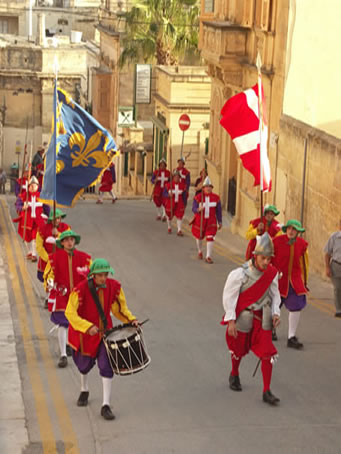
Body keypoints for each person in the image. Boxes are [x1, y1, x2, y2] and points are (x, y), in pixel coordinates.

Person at [65, 258, 139, 420]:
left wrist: (131, 320)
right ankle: (84, 388)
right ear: (93, 275)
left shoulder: (114, 287)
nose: (104, 278)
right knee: (83, 367)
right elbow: (70, 313)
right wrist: (87, 327)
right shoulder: (80, 290)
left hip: (105, 334)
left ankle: (105, 405)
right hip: (85, 335)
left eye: (105, 274)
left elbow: (120, 308)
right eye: (100, 275)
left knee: (107, 366)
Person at [221, 233, 281, 406]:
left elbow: (275, 295)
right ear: (255, 256)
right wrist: (231, 320)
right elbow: (229, 297)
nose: (266, 262)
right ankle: (234, 373)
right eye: (263, 258)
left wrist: (276, 312)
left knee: (268, 353)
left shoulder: (272, 273)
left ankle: (266, 390)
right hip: (244, 316)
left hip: (264, 317)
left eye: (269, 259)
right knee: (238, 348)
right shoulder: (240, 274)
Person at [44, 230, 91, 368]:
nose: (70, 242)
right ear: (62, 243)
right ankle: (63, 354)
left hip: (78, 296)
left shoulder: (85, 258)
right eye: (66, 240)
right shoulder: (54, 258)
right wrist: (51, 283)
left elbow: (91, 275)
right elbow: (48, 275)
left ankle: (74, 346)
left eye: (72, 239)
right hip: (62, 295)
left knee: (77, 323)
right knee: (63, 323)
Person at [273, 220, 308, 349]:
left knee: (296, 306)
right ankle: (271, 330)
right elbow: (268, 259)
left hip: (294, 280)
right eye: (289, 229)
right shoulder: (276, 241)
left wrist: (305, 281)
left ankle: (291, 337)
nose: (291, 231)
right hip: (278, 280)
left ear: (298, 232)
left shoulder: (302, 244)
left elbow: (304, 264)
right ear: (286, 229)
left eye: (294, 229)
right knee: (274, 305)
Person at [36, 208, 70, 310]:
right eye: (56, 219)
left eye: (59, 218)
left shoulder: (66, 228)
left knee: (61, 279)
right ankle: (48, 297)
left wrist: (58, 234)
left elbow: (68, 241)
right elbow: (39, 246)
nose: (58, 221)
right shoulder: (42, 229)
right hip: (47, 261)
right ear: (51, 219)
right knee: (49, 279)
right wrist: (49, 259)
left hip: (61, 259)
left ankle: (61, 298)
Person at [191, 176, 222, 263]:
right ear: (203, 188)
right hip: (200, 220)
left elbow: (218, 211)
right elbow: (193, 208)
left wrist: (219, 221)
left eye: (210, 187)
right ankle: (200, 251)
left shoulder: (216, 198)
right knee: (199, 237)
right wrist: (198, 209)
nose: (208, 188)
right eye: (206, 187)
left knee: (210, 237)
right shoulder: (198, 197)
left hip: (211, 221)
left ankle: (208, 256)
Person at [13, 176, 44, 262]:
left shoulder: (42, 196)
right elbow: (17, 204)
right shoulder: (24, 196)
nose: (33, 187)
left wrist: (48, 216)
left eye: (35, 185)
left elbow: (46, 207)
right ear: (28, 186)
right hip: (27, 220)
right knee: (27, 237)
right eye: (31, 185)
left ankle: (34, 254)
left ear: (38, 186)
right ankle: (30, 251)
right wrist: (23, 207)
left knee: (35, 237)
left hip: (38, 221)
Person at [324, 218, 341, 317]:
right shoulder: (334, 237)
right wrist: (327, 267)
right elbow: (327, 254)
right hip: (336, 265)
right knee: (338, 288)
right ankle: (339, 309)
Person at [164, 170, 186, 236]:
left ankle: (179, 230)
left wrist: (184, 203)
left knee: (180, 216)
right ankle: (169, 227)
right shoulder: (168, 185)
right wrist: (168, 195)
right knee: (169, 215)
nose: (176, 178)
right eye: (175, 177)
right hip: (171, 202)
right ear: (173, 177)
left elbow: (184, 195)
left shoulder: (182, 185)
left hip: (179, 203)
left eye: (178, 177)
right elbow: (164, 193)